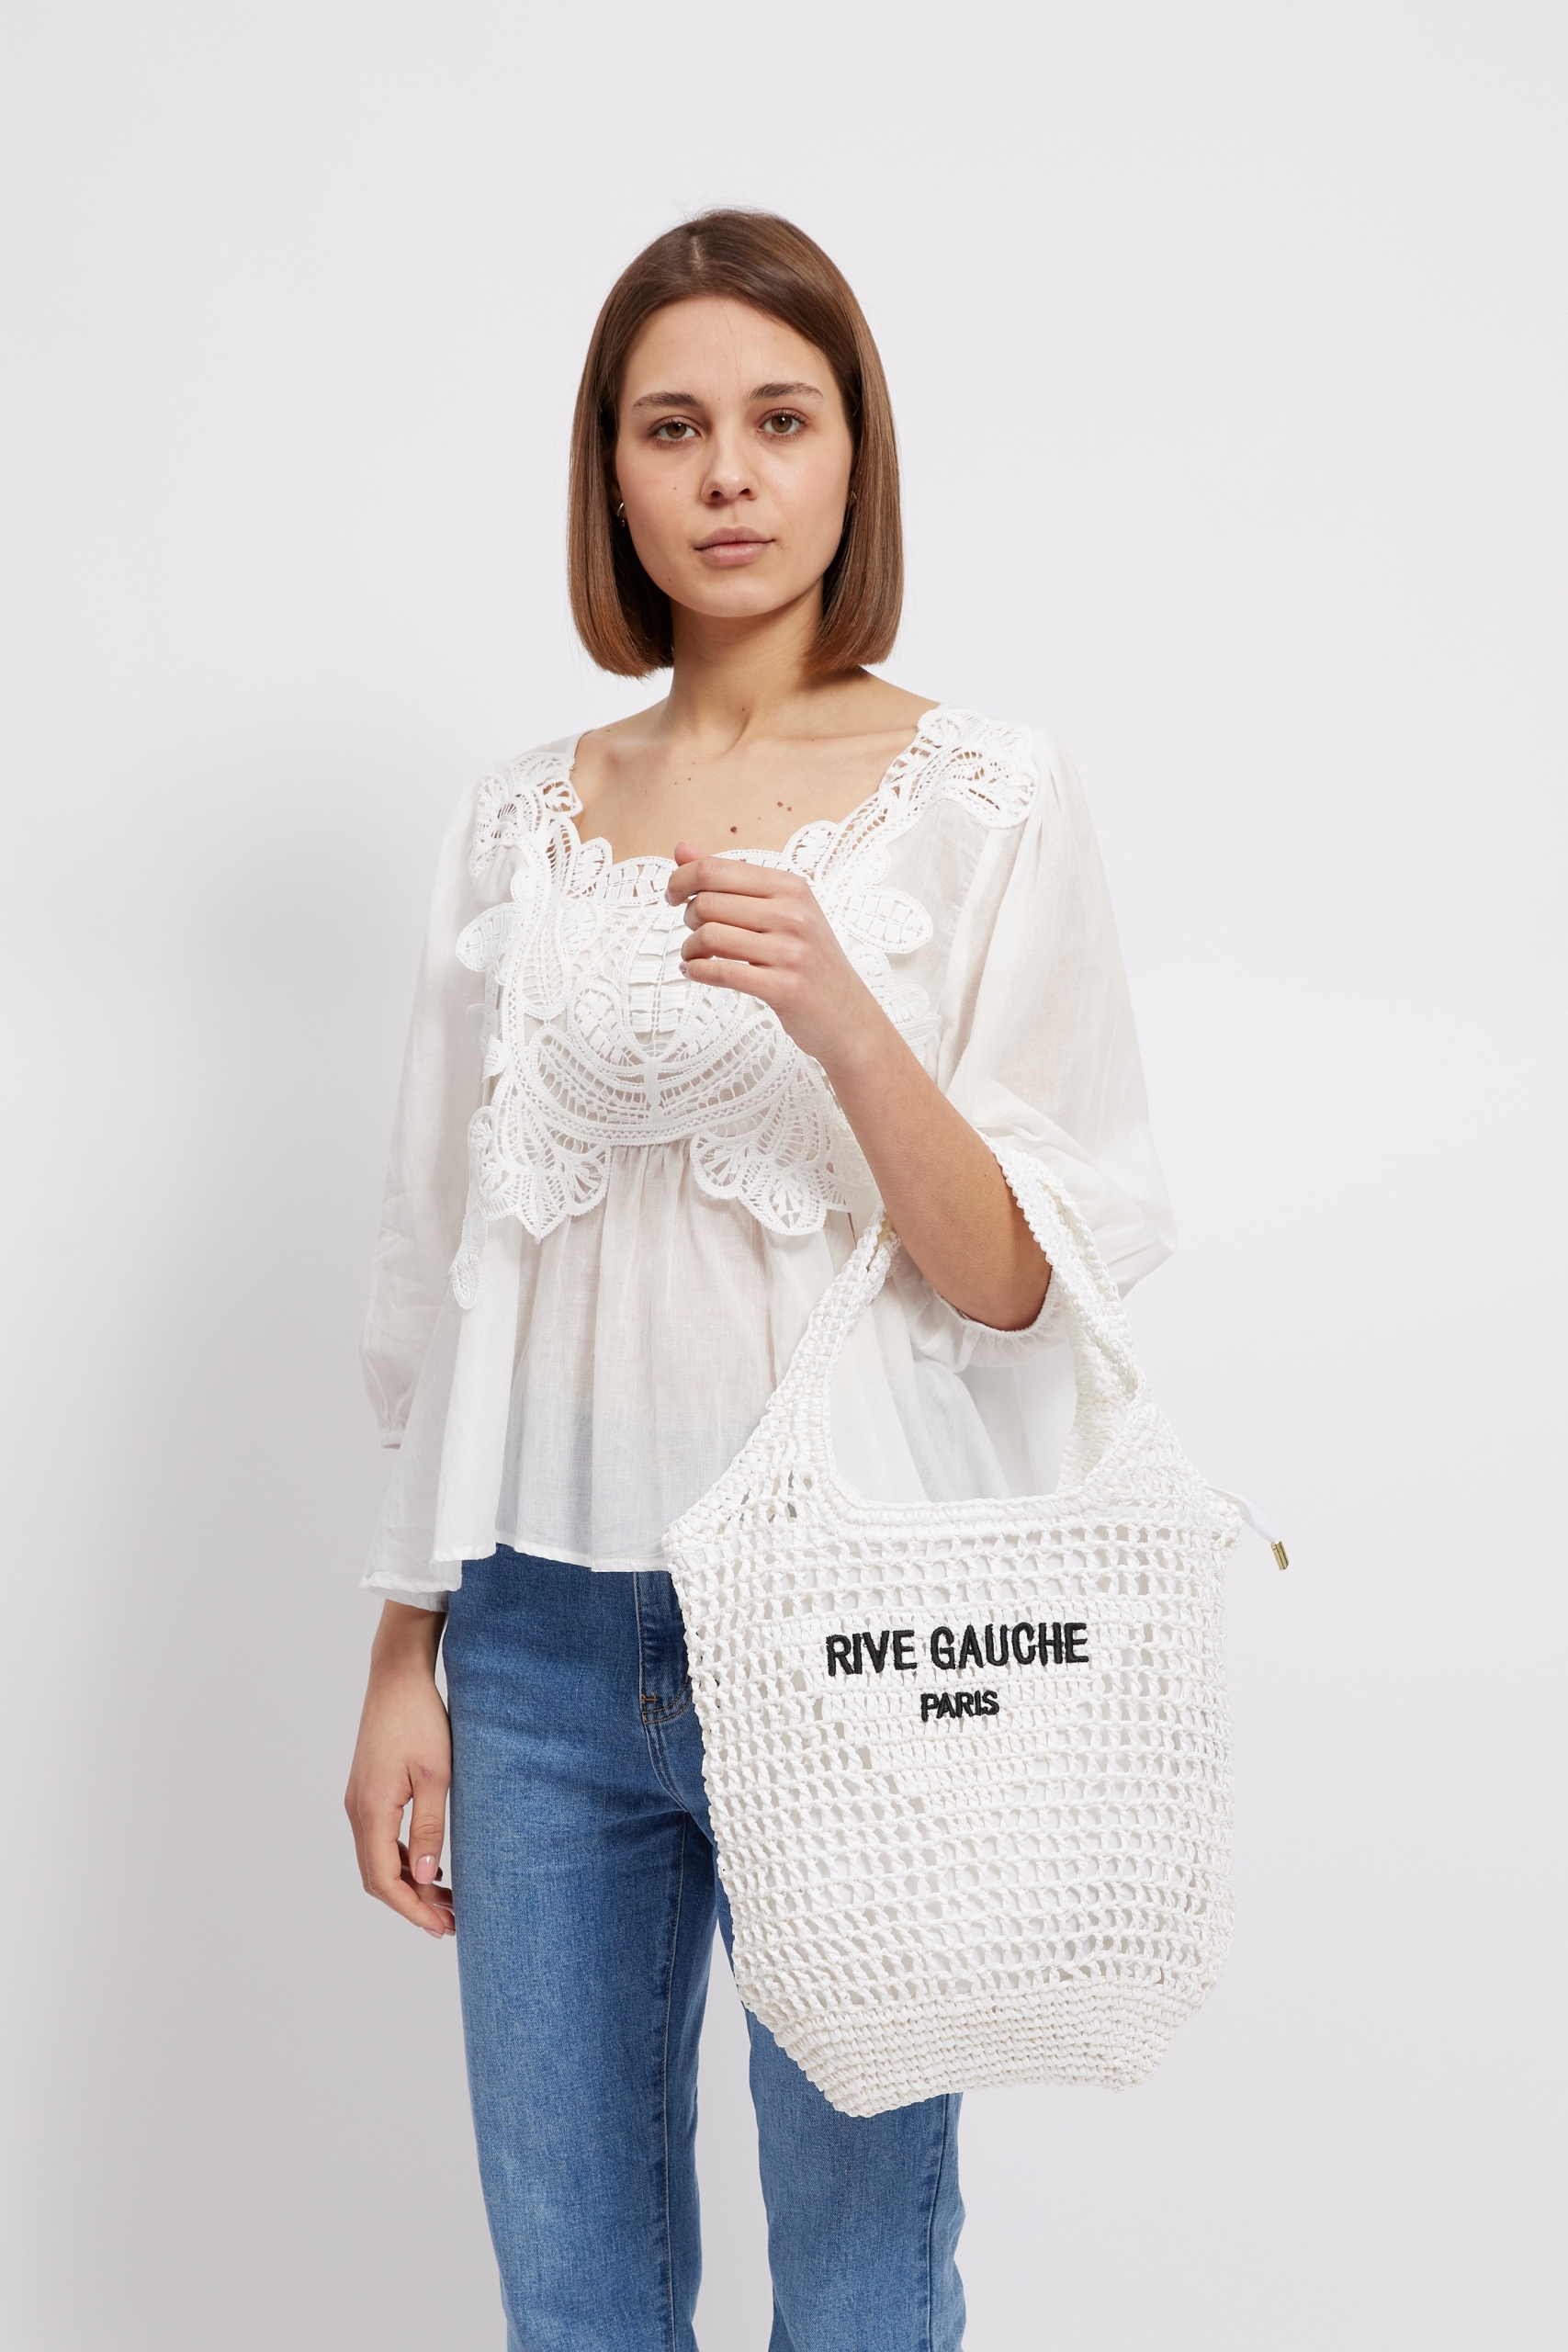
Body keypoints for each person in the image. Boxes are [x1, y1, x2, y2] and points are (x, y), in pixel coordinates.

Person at [344, 209, 1175, 2352]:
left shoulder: (981, 795)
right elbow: (446, 1259)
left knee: (864, 2286)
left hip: (853, 1628)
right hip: (534, 1640)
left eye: (779, 420)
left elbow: (1023, 1281)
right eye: (671, 425)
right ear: (609, 473)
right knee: (572, 2298)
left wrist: (842, 1018)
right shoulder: (518, 820)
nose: (726, 473)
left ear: (851, 454)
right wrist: (403, 1646)